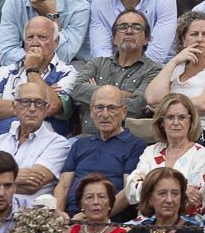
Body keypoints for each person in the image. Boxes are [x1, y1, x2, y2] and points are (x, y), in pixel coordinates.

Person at [145, 13, 205, 151]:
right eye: (194, 34)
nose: (200, 39)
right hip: (171, 133)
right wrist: (174, 61)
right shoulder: (176, 67)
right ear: (183, 40)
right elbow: (152, 98)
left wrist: (166, 105)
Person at [0, 81, 70, 203]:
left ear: (46, 109)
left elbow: (31, 185)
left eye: (39, 103)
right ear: (15, 107)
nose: (32, 109)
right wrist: (17, 177)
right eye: (25, 102)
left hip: (27, 216)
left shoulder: (57, 143)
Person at [54, 84, 144, 217]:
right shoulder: (80, 144)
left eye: (112, 108)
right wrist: (59, 213)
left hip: (108, 221)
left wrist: (90, 216)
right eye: (99, 108)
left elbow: (127, 192)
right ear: (91, 111)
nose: (105, 114)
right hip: (70, 219)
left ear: (123, 112)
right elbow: (63, 185)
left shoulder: (135, 145)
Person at [0, 16, 79, 137]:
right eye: (30, 37)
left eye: (42, 37)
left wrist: (32, 70)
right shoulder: (6, 71)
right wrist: (40, 102)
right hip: (3, 143)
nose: (35, 43)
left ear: (56, 42)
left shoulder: (69, 73)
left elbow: (52, 106)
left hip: (46, 146)